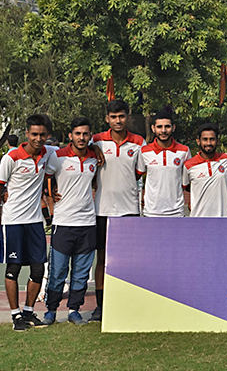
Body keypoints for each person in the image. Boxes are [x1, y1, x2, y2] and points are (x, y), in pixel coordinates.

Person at [0, 114, 51, 331]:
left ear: (47, 135)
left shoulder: (47, 153)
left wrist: (95, 150)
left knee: (38, 269)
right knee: (13, 268)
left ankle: (28, 312)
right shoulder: (12, 157)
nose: (38, 138)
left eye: (42, 135)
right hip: (13, 222)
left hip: (35, 222)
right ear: (27, 134)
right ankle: (15, 316)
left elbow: (72, 150)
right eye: (34, 134)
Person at [90, 99, 145, 321]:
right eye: (113, 117)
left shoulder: (138, 142)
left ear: (127, 117)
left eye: (121, 116)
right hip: (102, 209)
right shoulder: (96, 141)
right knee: (102, 259)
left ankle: (126, 303)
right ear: (107, 119)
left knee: (128, 260)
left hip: (129, 209)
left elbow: (140, 173)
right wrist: (94, 147)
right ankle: (100, 306)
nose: (118, 121)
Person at [42, 117, 98, 326]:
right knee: (58, 271)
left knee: (81, 273)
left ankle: (74, 310)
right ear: (70, 135)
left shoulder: (94, 157)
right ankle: (51, 310)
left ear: (90, 136)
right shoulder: (58, 157)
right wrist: (50, 194)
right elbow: (45, 177)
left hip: (87, 223)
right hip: (63, 223)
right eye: (77, 134)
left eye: (85, 134)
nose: (81, 137)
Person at [138, 110, 191, 217]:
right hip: (151, 212)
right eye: (159, 127)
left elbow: (190, 181)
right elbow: (137, 178)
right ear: (153, 128)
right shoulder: (144, 151)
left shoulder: (184, 151)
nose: (163, 130)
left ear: (173, 127)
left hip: (176, 212)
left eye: (167, 126)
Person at [183, 123, 227, 217]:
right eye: (205, 139)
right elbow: (187, 187)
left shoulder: (226, 159)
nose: (209, 143)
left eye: (212, 139)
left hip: (223, 218)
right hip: (198, 219)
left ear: (217, 141)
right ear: (198, 141)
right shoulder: (188, 165)